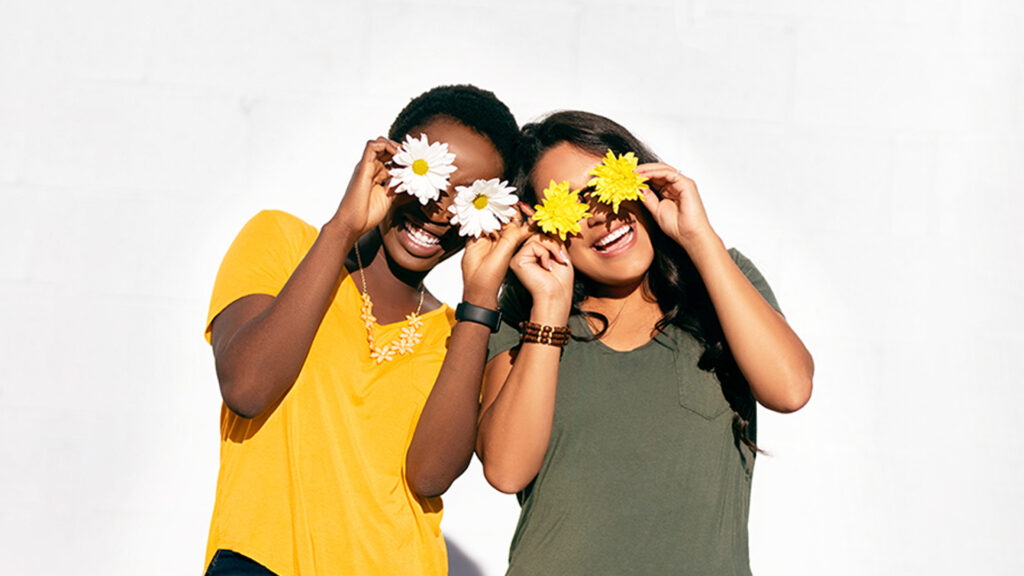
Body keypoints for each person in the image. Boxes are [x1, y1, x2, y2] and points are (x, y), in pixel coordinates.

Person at [202, 84, 526, 576]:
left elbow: (429, 475)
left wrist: (480, 300)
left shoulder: (459, 334)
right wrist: (342, 228)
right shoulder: (283, 243)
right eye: (430, 178)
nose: (440, 210)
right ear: (389, 164)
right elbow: (247, 389)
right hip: (261, 562)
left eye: (469, 199)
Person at [475, 111, 815, 575]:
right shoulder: (527, 312)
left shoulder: (719, 282)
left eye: (607, 185)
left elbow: (791, 389)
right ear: (542, 224)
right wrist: (549, 309)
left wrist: (699, 239)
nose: (601, 215)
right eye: (571, 204)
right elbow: (506, 470)